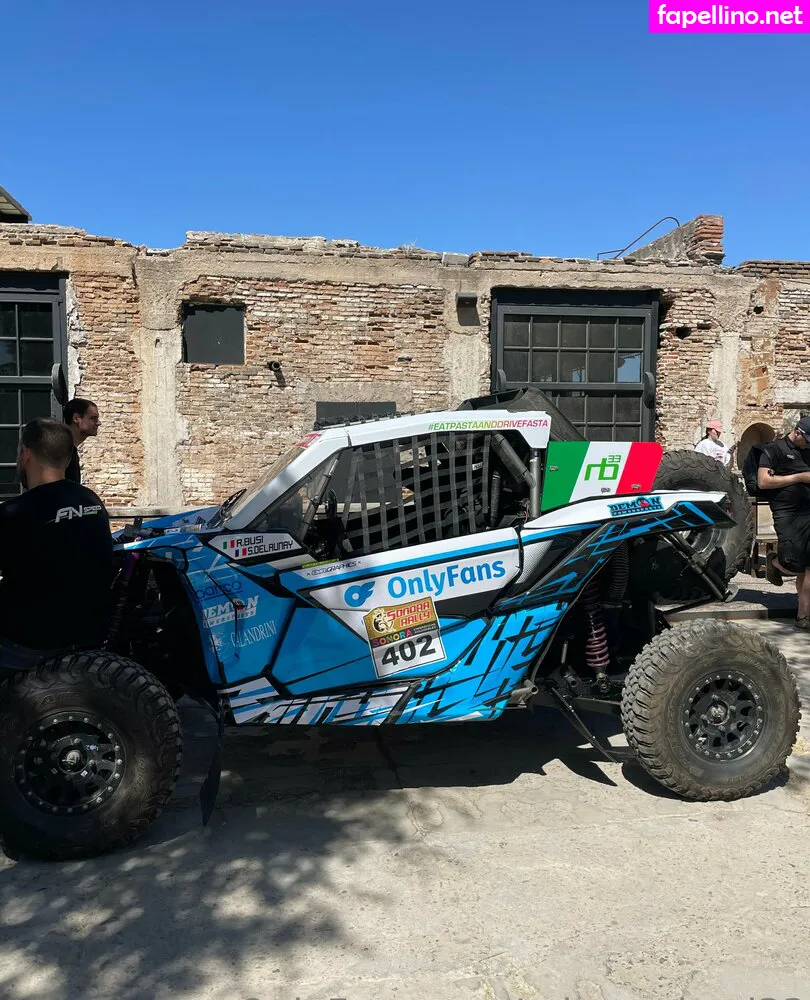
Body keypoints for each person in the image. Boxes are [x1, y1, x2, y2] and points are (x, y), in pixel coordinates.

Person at [0, 418, 114, 668]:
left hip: (29, 643)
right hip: (91, 634)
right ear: (69, 459)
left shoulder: (14, 513)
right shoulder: (92, 501)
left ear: (26, 455)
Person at [757, 416, 810, 630]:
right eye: (807, 440)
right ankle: (775, 563)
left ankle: (803, 616)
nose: (808, 445)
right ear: (797, 432)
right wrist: (799, 477)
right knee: (793, 563)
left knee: (807, 567)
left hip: (808, 510)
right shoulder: (774, 450)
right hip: (787, 513)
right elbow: (763, 481)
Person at [62, 397, 100, 484]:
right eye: (93, 418)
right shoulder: (63, 451)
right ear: (76, 418)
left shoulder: (69, 449)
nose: (98, 423)